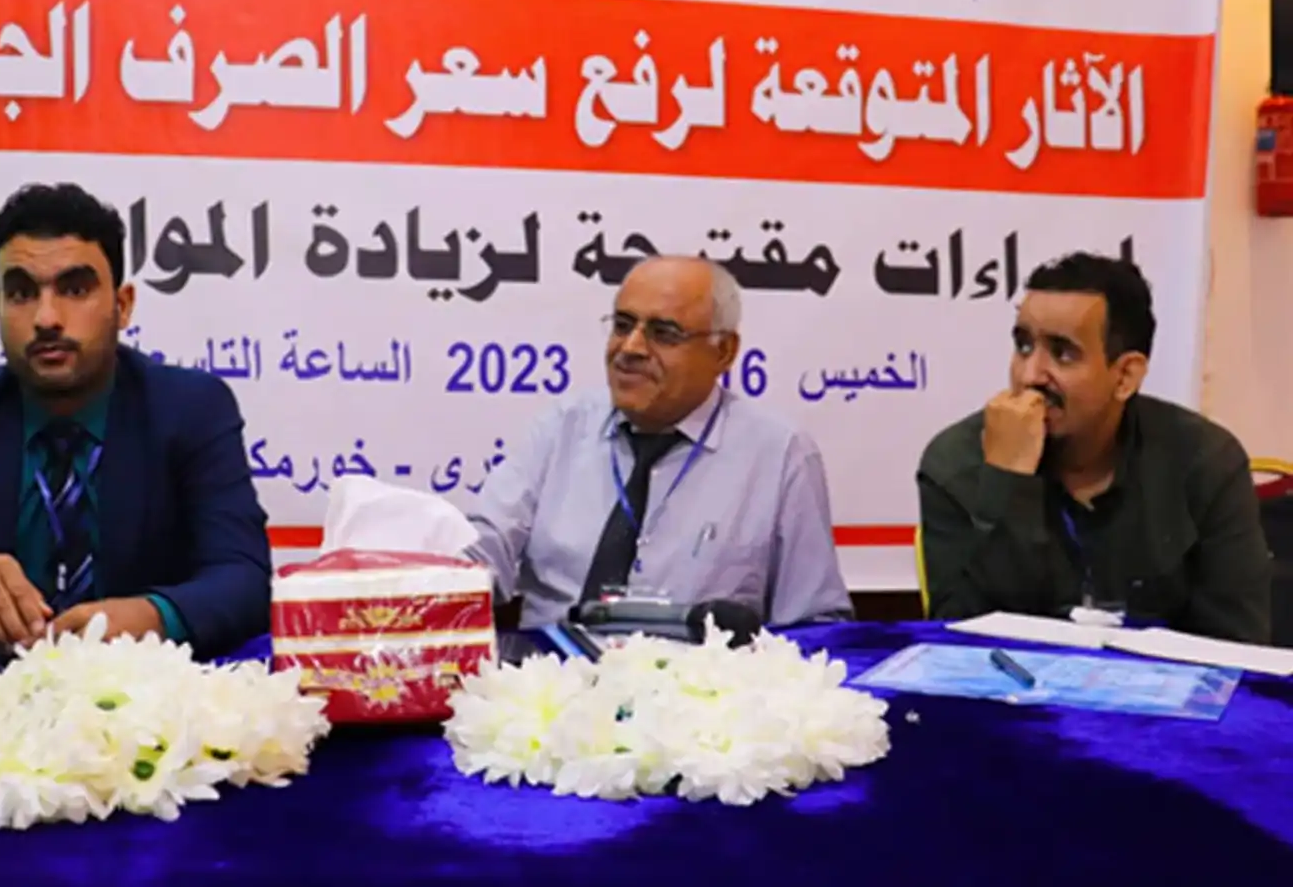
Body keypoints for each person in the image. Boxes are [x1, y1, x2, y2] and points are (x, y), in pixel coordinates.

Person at [0, 183, 271, 659]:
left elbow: (243, 576)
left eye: (74, 289)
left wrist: (154, 616)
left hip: (141, 685)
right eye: (21, 293)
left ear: (122, 305)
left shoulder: (190, 408)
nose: (47, 318)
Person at [464, 255, 852, 628]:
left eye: (664, 333)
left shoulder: (780, 455)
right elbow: (485, 549)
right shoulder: (560, 428)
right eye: (622, 325)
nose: (630, 348)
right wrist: (442, 582)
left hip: (697, 673)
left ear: (723, 351)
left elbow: (814, 623)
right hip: (551, 667)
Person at [917, 252, 1271, 643]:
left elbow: (1238, 645)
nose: (1030, 375)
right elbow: (958, 645)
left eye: (1063, 353)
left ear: (1125, 376)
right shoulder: (957, 464)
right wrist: (1009, 481)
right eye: (1023, 346)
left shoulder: (1204, 462)